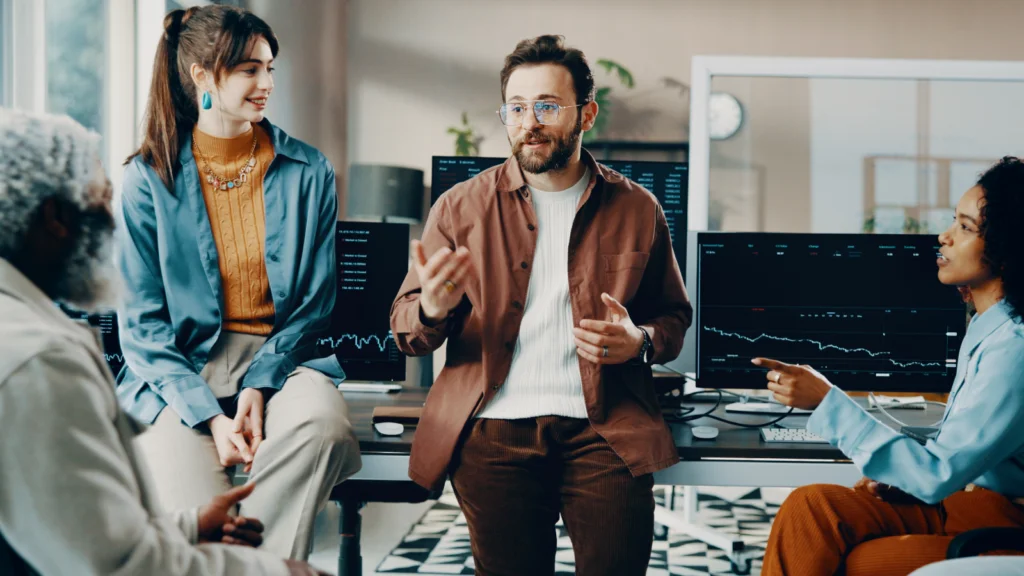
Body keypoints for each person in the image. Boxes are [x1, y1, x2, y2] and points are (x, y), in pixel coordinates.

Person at [390, 35, 692, 576]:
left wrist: (639, 341)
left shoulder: (638, 207)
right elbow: (408, 330)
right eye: (517, 107)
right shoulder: (458, 209)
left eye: (548, 106)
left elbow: (673, 317)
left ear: (586, 114)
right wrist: (432, 309)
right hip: (492, 434)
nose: (530, 121)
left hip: (605, 432)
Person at [0, 108, 329, 575]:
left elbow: (77, 529)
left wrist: (189, 528)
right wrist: (282, 572)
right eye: (101, 199)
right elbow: (117, 566)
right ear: (55, 216)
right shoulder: (38, 361)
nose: (114, 224)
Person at [117, 5, 359, 560]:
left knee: (323, 428)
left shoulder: (309, 171)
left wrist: (259, 384)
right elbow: (141, 326)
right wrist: (208, 414)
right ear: (202, 74)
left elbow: (315, 303)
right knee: (194, 520)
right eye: (249, 70)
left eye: (270, 68)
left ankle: (259, 569)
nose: (267, 84)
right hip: (175, 373)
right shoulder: (146, 180)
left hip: (281, 358)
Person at [754, 157, 1024, 575]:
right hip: (964, 501)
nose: (944, 237)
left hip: (1002, 522)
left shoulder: (1015, 349)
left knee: (863, 564)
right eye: (954, 221)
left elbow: (937, 474)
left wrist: (826, 401)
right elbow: (960, 448)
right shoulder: (989, 326)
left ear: (1008, 250)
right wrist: (902, 478)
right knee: (811, 508)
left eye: (966, 228)